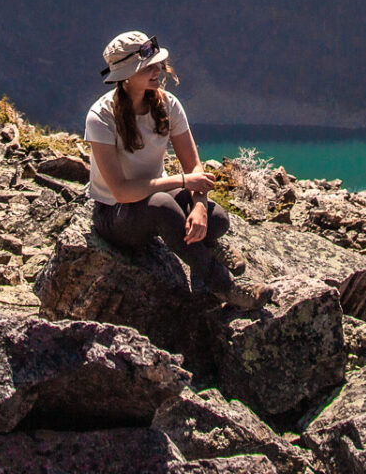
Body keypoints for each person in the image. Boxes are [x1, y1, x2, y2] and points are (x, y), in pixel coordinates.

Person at [84, 30, 271, 309]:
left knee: (216, 218)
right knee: (162, 207)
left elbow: (193, 165)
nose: (157, 70)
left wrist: (198, 207)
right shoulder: (101, 117)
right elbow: (121, 191)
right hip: (114, 213)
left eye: (157, 63)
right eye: (147, 68)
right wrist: (182, 181)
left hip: (153, 196)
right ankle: (226, 288)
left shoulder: (168, 105)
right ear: (125, 76)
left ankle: (206, 244)